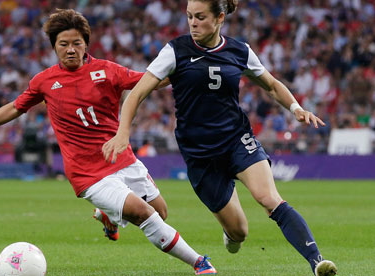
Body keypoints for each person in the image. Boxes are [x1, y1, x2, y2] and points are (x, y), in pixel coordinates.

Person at [0, 9, 217, 275]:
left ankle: (108, 215)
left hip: (120, 158)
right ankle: (199, 263)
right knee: (143, 213)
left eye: (76, 43)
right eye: (63, 44)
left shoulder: (107, 70)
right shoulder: (44, 81)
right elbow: (15, 108)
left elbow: (150, 81)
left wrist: (188, 71)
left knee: (161, 213)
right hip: (86, 173)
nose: (70, 50)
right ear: (54, 47)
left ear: (86, 44)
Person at [102, 1, 337, 276]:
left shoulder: (239, 51)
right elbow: (138, 93)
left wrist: (296, 108)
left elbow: (272, 85)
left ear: (219, 18)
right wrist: (123, 132)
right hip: (200, 156)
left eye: (200, 17)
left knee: (269, 198)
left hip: (237, 139)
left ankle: (317, 261)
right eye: (189, 16)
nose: (193, 23)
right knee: (239, 232)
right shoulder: (175, 51)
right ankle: (231, 234)